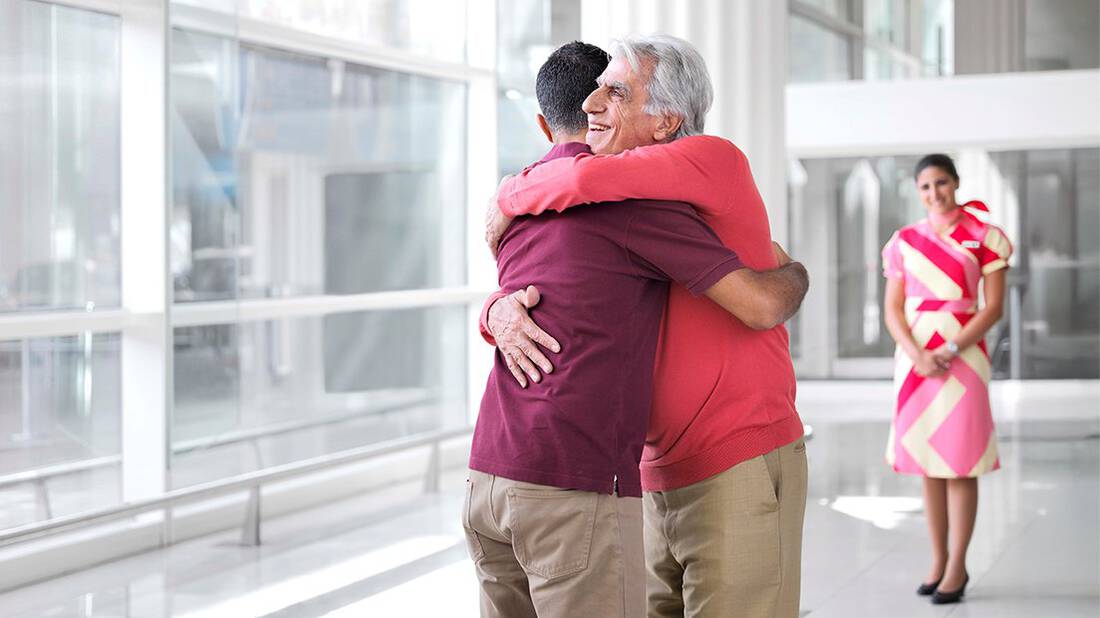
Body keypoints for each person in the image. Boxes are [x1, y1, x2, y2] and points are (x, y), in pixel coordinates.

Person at [463, 40, 808, 618]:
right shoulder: (620, 194)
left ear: (667, 120)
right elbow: (556, 279)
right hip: (647, 472)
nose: (594, 103)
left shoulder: (703, 161)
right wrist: (497, 309)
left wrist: (508, 191)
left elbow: (760, 305)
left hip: (732, 459)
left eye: (616, 91)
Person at [881, 153, 1013, 605]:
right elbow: (892, 309)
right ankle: (937, 561)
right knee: (927, 463)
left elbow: (993, 307)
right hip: (915, 361)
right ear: (917, 192)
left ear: (956, 183)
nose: (934, 193)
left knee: (961, 460)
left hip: (964, 355)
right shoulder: (903, 241)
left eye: (941, 183)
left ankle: (958, 565)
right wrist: (918, 354)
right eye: (925, 187)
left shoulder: (985, 236)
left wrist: (950, 349)